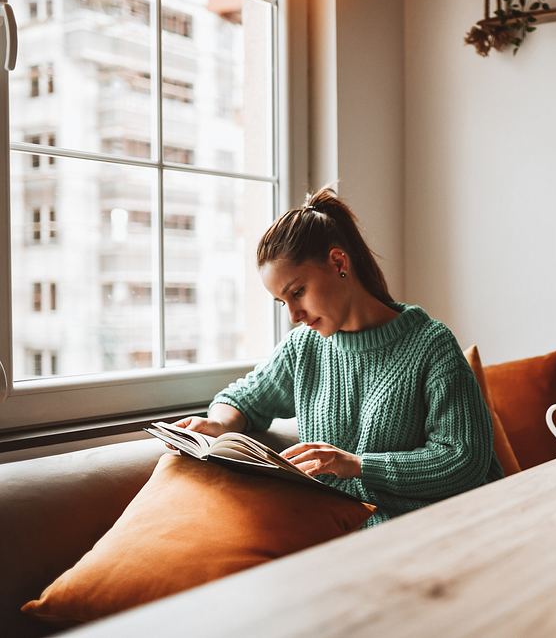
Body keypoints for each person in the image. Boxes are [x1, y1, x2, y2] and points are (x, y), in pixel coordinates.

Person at [175, 186, 503, 526]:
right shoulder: (303, 348)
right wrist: (219, 423)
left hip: (451, 527)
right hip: (351, 539)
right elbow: (241, 398)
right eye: (282, 302)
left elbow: (463, 461)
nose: (294, 315)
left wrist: (357, 465)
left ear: (338, 262)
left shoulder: (430, 345)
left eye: (297, 292)